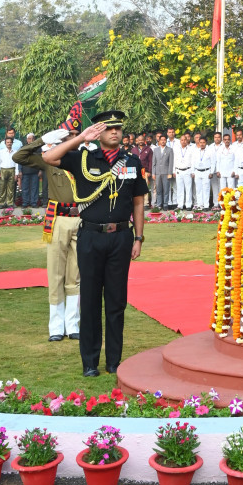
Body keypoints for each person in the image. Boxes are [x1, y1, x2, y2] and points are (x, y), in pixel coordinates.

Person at [42, 108, 147, 377]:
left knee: (116, 301)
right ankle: (90, 362)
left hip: (121, 237)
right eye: (108, 128)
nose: (115, 132)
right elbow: (48, 157)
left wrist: (138, 237)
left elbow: (138, 202)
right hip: (89, 236)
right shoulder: (82, 158)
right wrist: (80, 138)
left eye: (118, 128)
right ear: (98, 132)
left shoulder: (132, 162)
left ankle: (114, 361)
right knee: (89, 300)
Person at [15, 104, 83, 342]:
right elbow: (19, 156)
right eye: (68, 136)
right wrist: (43, 139)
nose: (72, 140)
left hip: (81, 219)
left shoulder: (86, 158)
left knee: (76, 275)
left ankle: (73, 324)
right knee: (55, 274)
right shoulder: (48, 159)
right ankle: (56, 327)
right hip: (58, 219)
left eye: (76, 136)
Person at [0, 132, 20, 207]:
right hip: (3, 170)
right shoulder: (1, 152)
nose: (9, 144)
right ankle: (1, 203)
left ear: (12, 143)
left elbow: (17, 163)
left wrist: (16, 173)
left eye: (10, 142)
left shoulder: (15, 152)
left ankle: (10, 202)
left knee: (11, 187)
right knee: (2, 187)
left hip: (12, 170)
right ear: (5, 143)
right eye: (7, 142)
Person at [150, 132, 174, 210]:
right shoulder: (156, 150)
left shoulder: (170, 150)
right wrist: (153, 173)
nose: (163, 141)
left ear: (166, 141)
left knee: (166, 189)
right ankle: (159, 204)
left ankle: (165, 205)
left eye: (164, 140)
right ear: (159, 141)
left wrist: (170, 173)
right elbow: (154, 162)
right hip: (157, 173)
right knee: (158, 189)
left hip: (166, 172)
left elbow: (171, 163)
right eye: (161, 140)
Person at [173, 132, 196, 210]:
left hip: (187, 170)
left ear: (187, 141)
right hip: (179, 170)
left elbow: (193, 161)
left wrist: (192, 171)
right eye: (182, 140)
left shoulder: (191, 149)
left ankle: (188, 205)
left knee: (188, 188)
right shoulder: (176, 149)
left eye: (185, 140)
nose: (183, 141)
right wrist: (174, 171)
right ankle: (180, 205)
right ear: (180, 141)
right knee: (180, 188)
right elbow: (174, 160)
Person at [20, 134, 42, 208]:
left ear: (34, 139)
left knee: (34, 188)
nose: (30, 140)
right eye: (29, 139)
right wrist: (20, 170)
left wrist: (40, 170)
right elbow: (20, 160)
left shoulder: (38, 149)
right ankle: (25, 202)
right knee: (25, 188)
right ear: (27, 140)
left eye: (32, 138)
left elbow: (40, 161)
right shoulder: (23, 148)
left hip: (35, 171)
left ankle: (34, 202)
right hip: (25, 171)